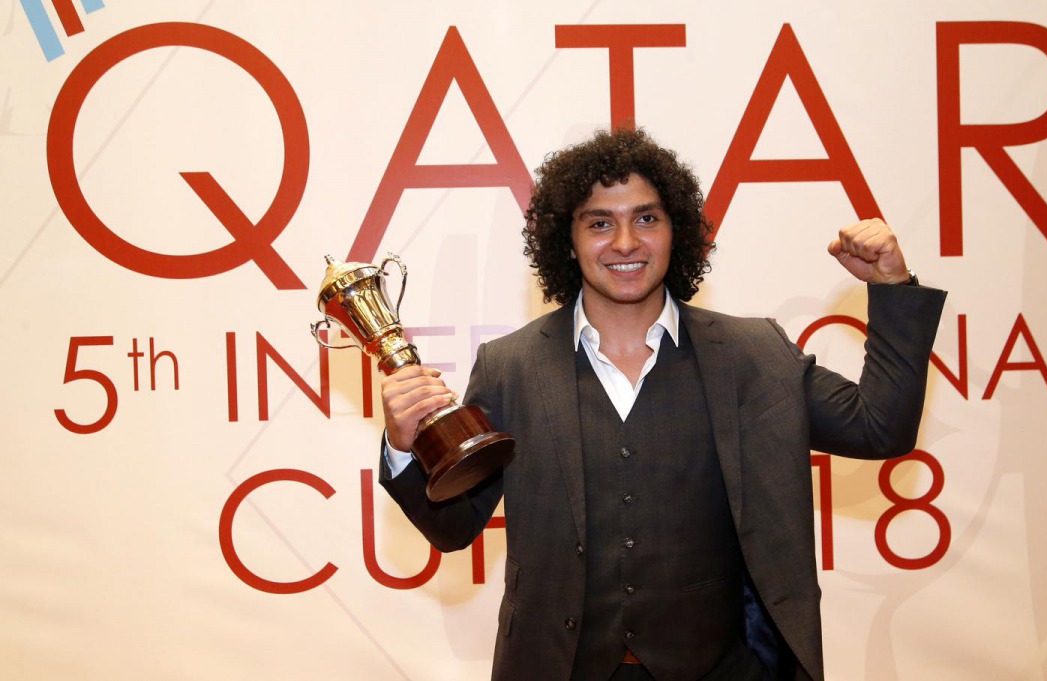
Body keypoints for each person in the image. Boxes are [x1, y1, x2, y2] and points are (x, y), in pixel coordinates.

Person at [376, 127, 946, 681]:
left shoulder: (753, 355)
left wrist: (893, 288)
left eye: (646, 218)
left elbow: (880, 429)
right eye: (600, 223)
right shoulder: (511, 366)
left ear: (677, 232)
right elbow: (452, 527)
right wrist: (405, 447)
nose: (625, 243)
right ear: (567, 244)